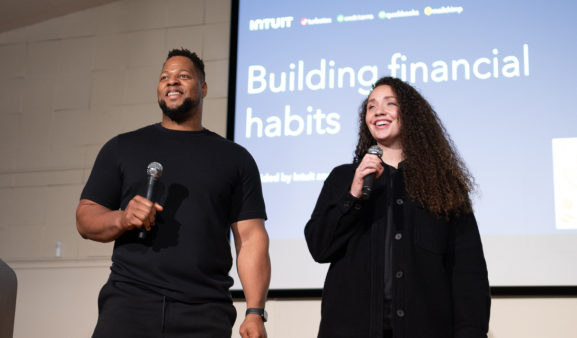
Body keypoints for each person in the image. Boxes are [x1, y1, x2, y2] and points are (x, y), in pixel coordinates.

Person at [76, 48, 270, 338]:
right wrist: (122, 218)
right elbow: (85, 218)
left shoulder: (235, 158)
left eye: (183, 76)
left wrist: (255, 312)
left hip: (205, 312)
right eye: (165, 77)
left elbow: (251, 239)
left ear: (203, 87)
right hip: (129, 304)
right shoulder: (122, 147)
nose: (172, 82)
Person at [304, 77, 490, 338]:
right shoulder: (344, 178)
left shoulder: (443, 183)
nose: (378, 111)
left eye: (390, 103)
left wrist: (472, 332)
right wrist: (353, 194)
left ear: (410, 114)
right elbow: (319, 247)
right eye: (371, 106)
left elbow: (468, 271)